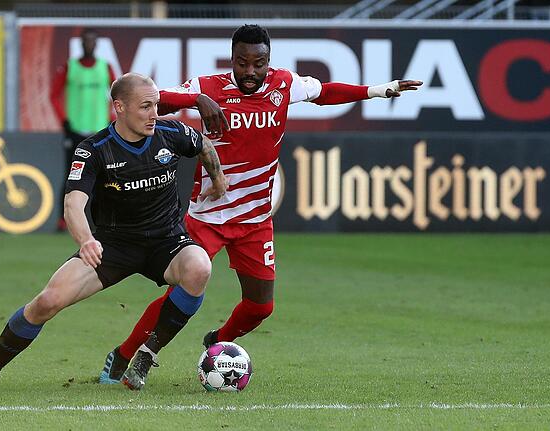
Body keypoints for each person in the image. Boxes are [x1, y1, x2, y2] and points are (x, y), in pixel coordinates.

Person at [99, 24, 423, 384]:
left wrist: (378, 90)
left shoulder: (283, 85)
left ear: (269, 61)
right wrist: (197, 101)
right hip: (207, 217)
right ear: (231, 60)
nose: (250, 71)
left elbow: (325, 92)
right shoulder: (208, 87)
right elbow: (158, 98)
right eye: (242, 63)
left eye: (259, 63)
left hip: (254, 220)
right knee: (183, 292)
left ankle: (218, 345)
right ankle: (127, 354)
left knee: (260, 306)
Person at [0, 73, 227, 391]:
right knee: (48, 300)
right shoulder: (95, 150)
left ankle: (146, 354)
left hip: (166, 240)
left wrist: (218, 178)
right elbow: (73, 203)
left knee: (200, 267)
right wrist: (85, 239)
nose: (154, 113)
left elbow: (203, 145)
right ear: (120, 107)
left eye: (156, 105)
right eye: (145, 107)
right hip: (112, 245)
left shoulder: (172, 133)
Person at [50, 28, 117, 231]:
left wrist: (112, 119)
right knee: (71, 174)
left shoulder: (106, 68)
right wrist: (64, 121)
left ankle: (103, 219)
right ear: (81, 43)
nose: (89, 44)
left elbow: (118, 96)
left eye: (92, 41)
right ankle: (63, 221)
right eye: (86, 41)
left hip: (100, 132)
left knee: (104, 177)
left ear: (96, 44)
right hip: (75, 131)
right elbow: (54, 95)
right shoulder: (69, 67)